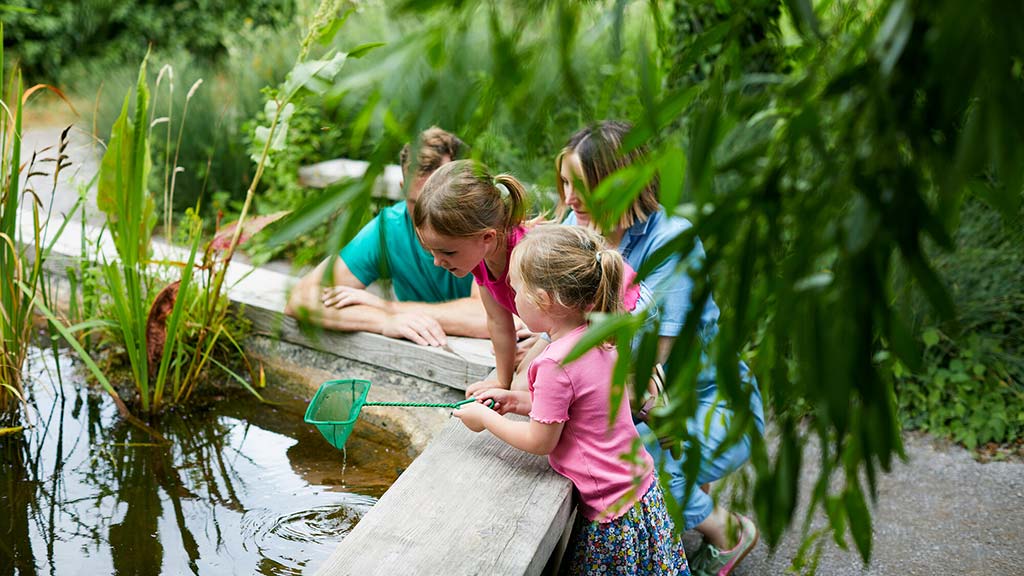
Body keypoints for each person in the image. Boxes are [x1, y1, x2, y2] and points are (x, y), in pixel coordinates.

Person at [557, 120, 765, 576]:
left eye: (582, 187)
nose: (569, 200)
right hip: (658, 402)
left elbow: (648, 367)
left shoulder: (671, 243)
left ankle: (727, 532)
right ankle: (681, 502)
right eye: (565, 184)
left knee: (629, 454)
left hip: (711, 406)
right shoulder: (578, 225)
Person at [454, 225, 690, 576]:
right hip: (642, 493)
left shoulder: (553, 362)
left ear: (545, 300)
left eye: (517, 291)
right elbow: (579, 410)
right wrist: (515, 401)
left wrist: (484, 419)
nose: (513, 300)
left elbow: (540, 439)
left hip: (611, 516)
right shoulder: (598, 336)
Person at [412, 159, 642, 394]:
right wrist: (503, 382)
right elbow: (499, 323)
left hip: (619, 313)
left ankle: (643, 387)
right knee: (523, 384)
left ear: (487, 237)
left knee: (557, 389)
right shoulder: (480, 260)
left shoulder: (531, 257)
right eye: (432, 252)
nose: (437, 262)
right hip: (567, 324)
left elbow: (578, 315)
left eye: (447, 252)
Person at [285, 127, 489, 347]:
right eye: (416, 203)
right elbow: (302, 298)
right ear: (403, 189)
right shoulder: (390, 228)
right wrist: (383, 320)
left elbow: (487, 317)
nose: (426, 216)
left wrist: (386, 307)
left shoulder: (484, 228)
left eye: (439, 202)